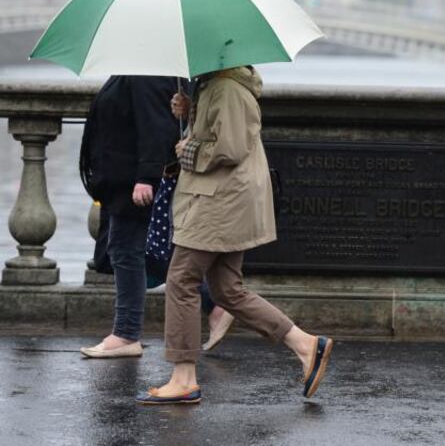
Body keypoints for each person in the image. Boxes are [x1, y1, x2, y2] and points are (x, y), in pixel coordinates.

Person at [137, 66, 333, 405]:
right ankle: (305, 344)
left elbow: (230, 147)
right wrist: (192, 110)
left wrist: (187, 150)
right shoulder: (216, 86)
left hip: (218, 202)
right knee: (227, 289)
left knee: (182, 280)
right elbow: (222, 131)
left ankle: (183, 377)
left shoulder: (227, 88)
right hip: (225, 200)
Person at [78, 76, 178, 359]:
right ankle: (217, 301)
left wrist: (146, 177)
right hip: (122, 181)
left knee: (126, 251)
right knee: (143, 253)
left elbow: (156, 128)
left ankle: (126, 334)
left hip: (132, 182)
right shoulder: (131, 72)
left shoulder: (145, 75)